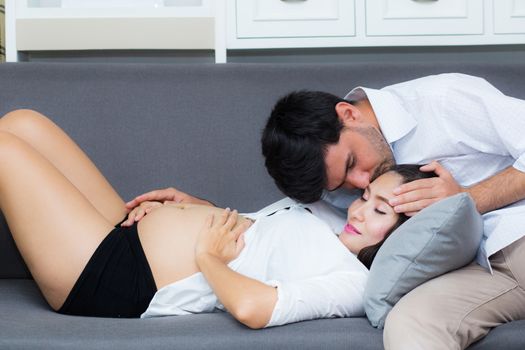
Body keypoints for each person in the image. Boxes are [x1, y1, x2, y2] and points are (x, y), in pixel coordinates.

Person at [0, 109, 434, 328]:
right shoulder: (330, 218)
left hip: (113, 277)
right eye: (366, 196)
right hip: (126, 229)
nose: (357, 209)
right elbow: (253, 230)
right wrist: (194, 206)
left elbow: (252, 308)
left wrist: (208, 257)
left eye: (378, 210)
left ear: (401, 238)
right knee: (24, 122)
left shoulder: (352, 284)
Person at [258, 73, 525, 349]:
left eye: (352, 163)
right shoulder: (339, 189)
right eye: (346, 186)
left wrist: (470, 198)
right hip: (483, 270)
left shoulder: (440, 101)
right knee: (409, 322)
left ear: (348, 114)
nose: (362, 182)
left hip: (519, 236)